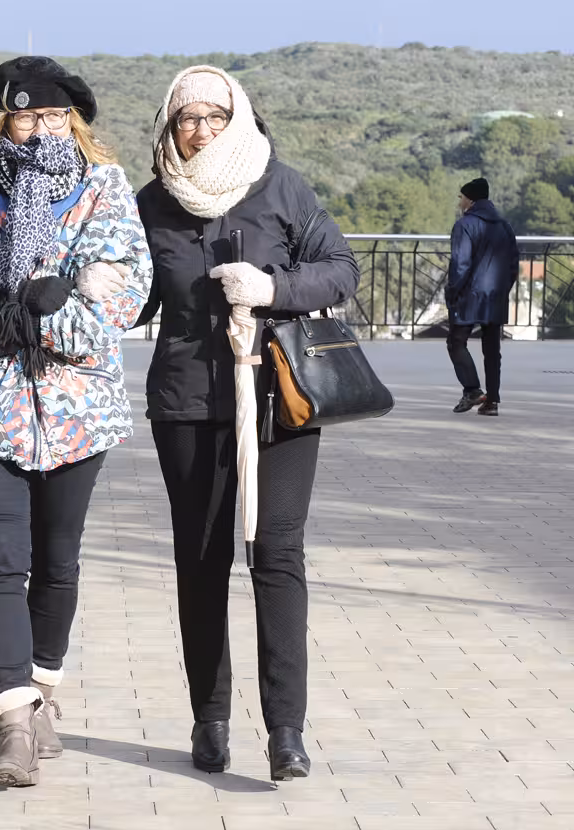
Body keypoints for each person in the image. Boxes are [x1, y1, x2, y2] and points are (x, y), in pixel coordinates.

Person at [0, 56, 152, 788]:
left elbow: (123, 296)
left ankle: (44, 695)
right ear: (3, 120)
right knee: (1, 561)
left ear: (72, 121)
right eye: (23, 115)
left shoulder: (103, 191)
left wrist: (44, 304)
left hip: (78, 410)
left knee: (59, 560)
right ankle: (12, 719)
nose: (36, 128)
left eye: (50, 116)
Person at [135, 66, 359, 781]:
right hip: (188, 405)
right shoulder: (150, 203)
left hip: (279, 401)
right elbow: (131, 300)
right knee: (201, 563)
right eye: (185, 119)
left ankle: (287, 732)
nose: (199, 129)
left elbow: (341, 270)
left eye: (212, 115)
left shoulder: (280, 185)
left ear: (239, 118)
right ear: (169, 129)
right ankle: (211, 718)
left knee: (278, 555)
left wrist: (275, 289)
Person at [446, 177, 519, 417]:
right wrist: (502, 290)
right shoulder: (504, 225)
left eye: (462, 198)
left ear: (471, 199)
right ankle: (492, 402)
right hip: (495, 296)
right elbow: (513, 265)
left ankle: (472, 389)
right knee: (492, 349)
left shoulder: (465, 225)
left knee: (456, 342)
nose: (460, 202)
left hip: (470, 295)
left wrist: (453, 291)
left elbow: (461, 264)